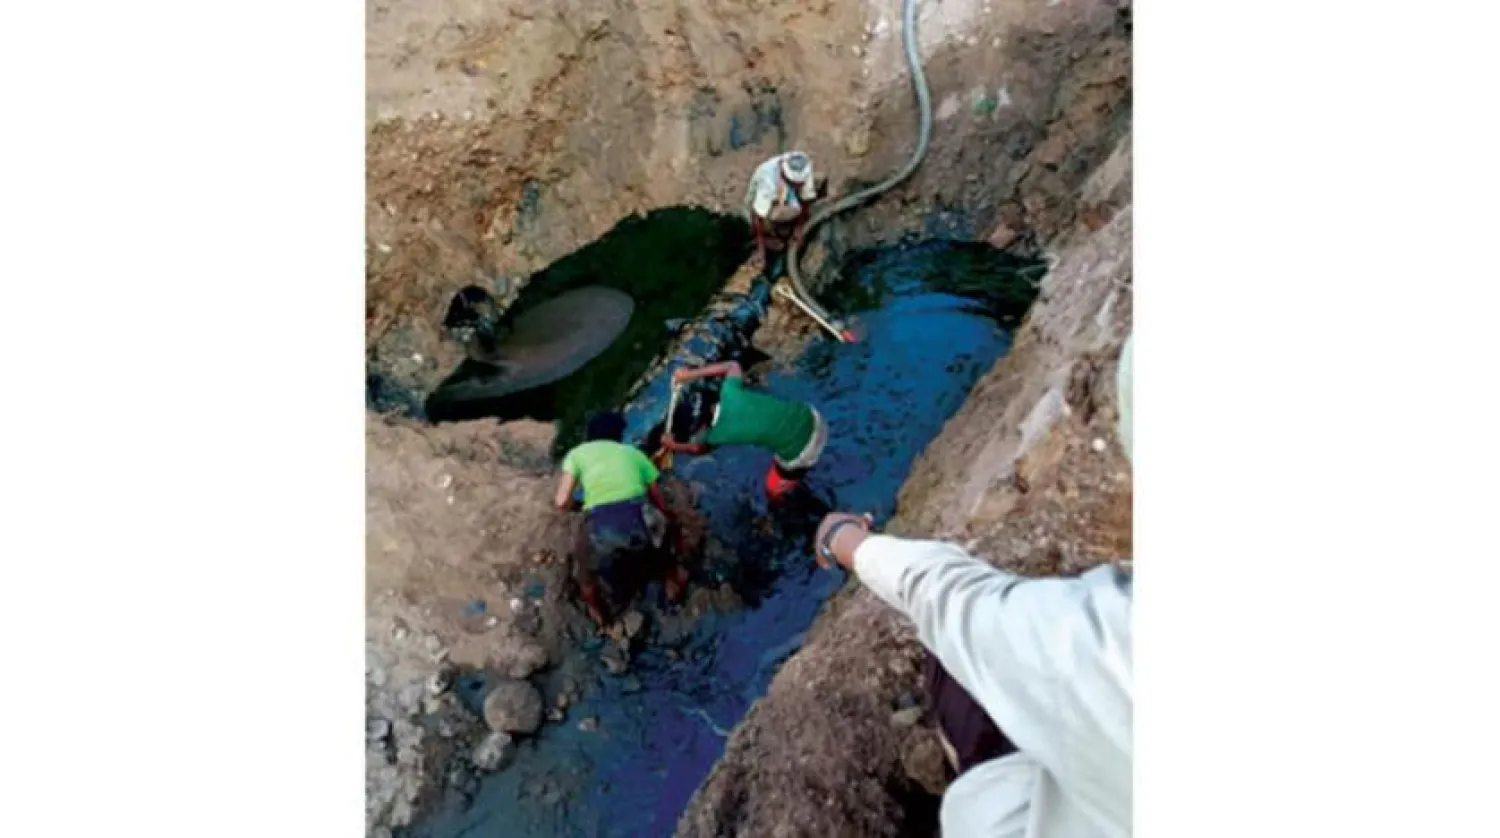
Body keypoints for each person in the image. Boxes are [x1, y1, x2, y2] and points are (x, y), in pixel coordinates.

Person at [811, 333, 1134, 837]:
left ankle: (970, 768)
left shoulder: (1109, 648)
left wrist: (841, 537)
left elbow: (944, 595)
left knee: (956, 663)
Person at [555, 411, 689, 626]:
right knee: (664, 542)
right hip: (639, 519)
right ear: (618, 435)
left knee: (585, 574)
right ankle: (672, 582)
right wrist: (670, 521)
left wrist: (578, 506)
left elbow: (561, 502)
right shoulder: (633, 453)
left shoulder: (577, 454)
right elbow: (658, 500)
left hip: (601, 527)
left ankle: (599, 613)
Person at [662, 360, 829, 503]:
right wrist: (689, 375)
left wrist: (673, 445)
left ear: (702, 426)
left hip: (803, 450)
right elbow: (732, 365)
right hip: (813, 416)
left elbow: (696, 449)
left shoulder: (716, 434)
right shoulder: (729, 392)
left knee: (771, 489)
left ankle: (776, 505)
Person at [743, 151, 819, 270]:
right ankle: (765, 237)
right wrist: (760, 250)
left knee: (797, 210)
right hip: (762, 203)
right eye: (795, 184)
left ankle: (782, 227)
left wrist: (799, 228)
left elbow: (806, 199)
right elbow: (757, 216)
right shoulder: (767, 180)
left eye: (799, 185)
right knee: (765, 222)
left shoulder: (804, 167)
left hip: (786, 196)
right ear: (784, 176)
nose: (799, 187)